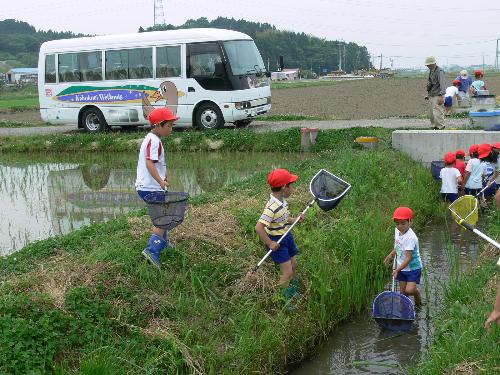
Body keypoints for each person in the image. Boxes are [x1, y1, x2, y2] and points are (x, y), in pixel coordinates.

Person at [135, 107, 179, 268]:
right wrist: (160, 180)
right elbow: (149, 163)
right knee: (162, 219)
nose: (171, 129)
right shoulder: (154, 141)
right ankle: (152, 250)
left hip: (146, 186)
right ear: (159, 125)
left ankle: (163, 243)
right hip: (151, 187)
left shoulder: (151, 138)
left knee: (162, 215)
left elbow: (156, 162)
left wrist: (163, 175)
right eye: (169, 126)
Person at [255, 168, 304, 299]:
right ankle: (284, 298)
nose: (292, 188)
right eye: (291, 185)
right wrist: (270, 243)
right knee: (287, 272)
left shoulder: (282, 202)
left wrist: (295, 219)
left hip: (286, 236)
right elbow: (259, 227)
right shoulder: (271, 207)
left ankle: (293, 290)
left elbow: (284, 219)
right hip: (277, 241)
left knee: (294, 266)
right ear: (284, 188)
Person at [384, 207, 423, 306]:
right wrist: (391, 255)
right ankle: (406, 310)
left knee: (409, 290)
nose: (400, 226)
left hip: (413, 268)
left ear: (410, 222)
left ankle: (417, 297)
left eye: (403, 223)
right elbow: (398, 245)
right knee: (403, 293)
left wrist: (397, 270)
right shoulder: (397, 231)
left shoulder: (410, 237)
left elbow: (409, 258)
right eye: (397, 224)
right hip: (402, 267)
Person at [424, 56, 447, 130]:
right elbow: (430, 83)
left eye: (429, 65)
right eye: (427, 65)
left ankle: (441, 127)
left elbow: (442, 84)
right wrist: (428, 94)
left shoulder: (440, 71)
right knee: (432, 113)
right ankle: (434, 127)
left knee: (438, 112)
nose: (428, 66)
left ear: (433, 64)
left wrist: (441, 96)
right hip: (432, 94)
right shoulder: (431, 71)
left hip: (438, 94)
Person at [488, 142, 500, 208]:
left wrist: (490, 181)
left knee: (497, 198)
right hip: (498, 181)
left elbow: (497, 172)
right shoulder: (495, 158)